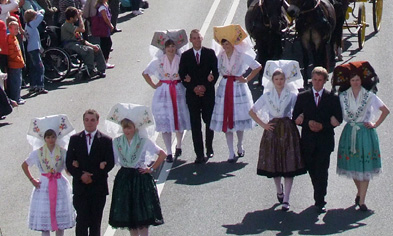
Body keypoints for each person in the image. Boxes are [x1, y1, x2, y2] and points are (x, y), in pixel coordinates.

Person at [249, 62, 306, 211]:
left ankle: (286, 198)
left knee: (289, 164)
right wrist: (264, 125)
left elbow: (300, 109)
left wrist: (300, 116)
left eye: (281, 79)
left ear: (285, 80)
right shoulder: (267, 96)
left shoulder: (292, 95)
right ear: (272, 81)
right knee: (274, 163)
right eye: (277, 79)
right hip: (273, 131)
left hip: (288, 130)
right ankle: (278, 190)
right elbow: (252, 111)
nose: (279, 82)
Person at [106, 103, 165, 236]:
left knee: (142, 216)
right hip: (125, 178)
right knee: (130, 218)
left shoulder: (143, 141)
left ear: (135, 128)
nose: (127, 131)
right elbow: (112, 158)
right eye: (125, 128)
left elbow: (162, 154)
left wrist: (151, 169)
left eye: (129, 128)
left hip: (140, 178)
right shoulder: (117, 142)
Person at [336, 71, 389, 211]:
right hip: (350, 132)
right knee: (353, 165)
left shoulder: (369, 96)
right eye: (353, 80)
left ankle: (362, 200)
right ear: (349, 81)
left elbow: (385, 110)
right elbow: (336, 113)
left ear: (361, 80)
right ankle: (360, 193)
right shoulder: (342, 96)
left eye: (357, 79)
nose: (355, 82)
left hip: (365, 132)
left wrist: (374, 124)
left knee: (365, 166)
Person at [293, 66, 343, 213]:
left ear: (325, 81)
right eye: (314, 79)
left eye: (320, 80)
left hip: (324, 140)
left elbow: (338, 118)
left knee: (322, 170)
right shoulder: (302, 96)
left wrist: (324, 125)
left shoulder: (332, 98)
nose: (317, 83)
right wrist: (305, 122)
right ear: (311, 80)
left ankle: (320, 200)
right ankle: (318, 190)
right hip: (308, 140)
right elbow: (295, 116)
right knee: (311, 168)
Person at [210, 24, 262, 163]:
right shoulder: (220, 56)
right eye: (223, 43)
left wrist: (246, 79)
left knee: (238, 118)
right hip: (224, 87)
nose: (225, 45)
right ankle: (231, 152)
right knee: (227, 120)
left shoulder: (241, 55)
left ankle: (240, 145)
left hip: (238, 87)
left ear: (232, 43)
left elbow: (257, 66)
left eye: (227, 42)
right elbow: (214, 70)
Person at [22, 115, 76, 236]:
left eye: (53, 137)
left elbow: (67, 169)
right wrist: (32, 180)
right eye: (48, 137)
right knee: (44, 219)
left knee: (60, 219)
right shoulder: (38, 152)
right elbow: (25, 165)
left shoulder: (63, 151)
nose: (51, 139)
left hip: (59, 184)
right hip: (44, 185)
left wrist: (73, 169)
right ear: (44, 138)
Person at [143, 31, 191, 163]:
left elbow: (188, 72)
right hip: (163, 92)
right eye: (168, 46)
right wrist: (154, 85)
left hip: (178, 90)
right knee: (165, 123)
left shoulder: (180, 60)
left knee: (179, 119)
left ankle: (179, 144)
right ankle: (169, 151)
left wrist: (187, 78)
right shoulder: (158, 61)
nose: (171, 49)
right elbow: (145, 73)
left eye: (173, 46)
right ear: (164, 48)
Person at [66, 109, 114, 236]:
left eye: (92, 120)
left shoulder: (106, 140)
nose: (89, 123)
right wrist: (81, 175)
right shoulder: (75, 139)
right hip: (80, 188)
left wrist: (94, 176)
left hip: (98, 188)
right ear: (83, 121)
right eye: (86, 120)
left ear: (97, 121)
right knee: (81, 221)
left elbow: (110, 162)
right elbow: (69, 162)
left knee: (95, 223)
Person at [179, 29, 218, 164]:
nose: (196, 40)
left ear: (202, 39)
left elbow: (215, 73)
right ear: (190, 40)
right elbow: (183, 75)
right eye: (194, 38)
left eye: (198, 37)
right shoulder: (185, 56)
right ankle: (199, 154)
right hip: (192, 95)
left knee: (209, 121)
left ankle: (209, 148)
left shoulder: (210, 53)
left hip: (208, 94)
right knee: (196, 125)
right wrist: (194, 88)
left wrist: (206, 86)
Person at [61, 6, 106, 79]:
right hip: (69, 45)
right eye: (76, 17)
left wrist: (92, 45)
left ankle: (101, 69)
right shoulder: (66, 25)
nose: (77, 18)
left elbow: (81, 40)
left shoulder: (72, 25)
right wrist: (80, 17)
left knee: (96, 47)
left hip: (76, 43)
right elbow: (82, 29)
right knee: (88, 50)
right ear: (71, 18)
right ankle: (91, 70)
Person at [24, 9, 48, 94]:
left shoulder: (27, 25)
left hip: (32, 48)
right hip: (33, 49)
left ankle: (33, 85)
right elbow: (41, 16)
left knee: (33, 68)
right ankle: (40, 86)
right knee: (40, 68)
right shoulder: (32, 24)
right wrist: (39, 12)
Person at [6, 20, 25, 104]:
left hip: (18, 64)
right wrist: (18, 59)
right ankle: (15, 98)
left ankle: (18, 97)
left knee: (18, 81)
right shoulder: (10, 39)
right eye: (15, 29)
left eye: (17, 28)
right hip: (14, 64)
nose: (17, 30)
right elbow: (11, 53)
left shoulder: (14, 38)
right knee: (15, 83)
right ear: (9, 29)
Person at [94, 0, 114, 68]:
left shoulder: (104, 5)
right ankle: (104, 62)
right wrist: (110, 25)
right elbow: (105, 18)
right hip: (104, 28)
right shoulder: (102, 7)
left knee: (105, 43)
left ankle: (103, 61)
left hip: (105, 28)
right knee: (107, 44)